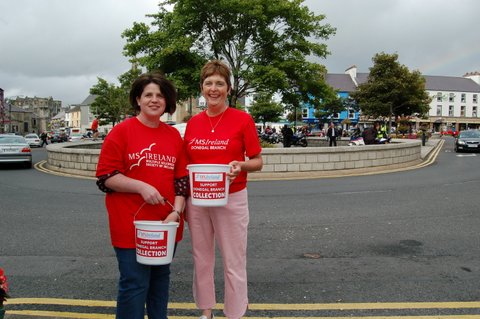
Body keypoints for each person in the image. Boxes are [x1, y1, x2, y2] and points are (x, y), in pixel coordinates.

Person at [95, 72, 189, 319]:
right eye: (148, 94)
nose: (154, 100)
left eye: (160, 95)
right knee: (134, 284)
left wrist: (176, 212)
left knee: (160, 284)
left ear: (167, 102)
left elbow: (181, 182)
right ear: (138, 99)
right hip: (130, 226)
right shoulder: (121, 132)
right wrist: (141, 186)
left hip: (166, 225)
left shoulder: (173, 137)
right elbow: (105, 178)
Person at [183, 60, 263, 319]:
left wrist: (240, 165)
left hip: (232, 197)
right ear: (202, 88)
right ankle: (206, 312)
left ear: (228, 88)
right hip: (198, 198)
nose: (213, 88)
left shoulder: (242, 120)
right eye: (208, 83)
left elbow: (257, 161)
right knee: (202, 258)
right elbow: (186, 162)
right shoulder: (193, 123)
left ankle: (235, 313)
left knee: (234, 261)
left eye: (219, 83)